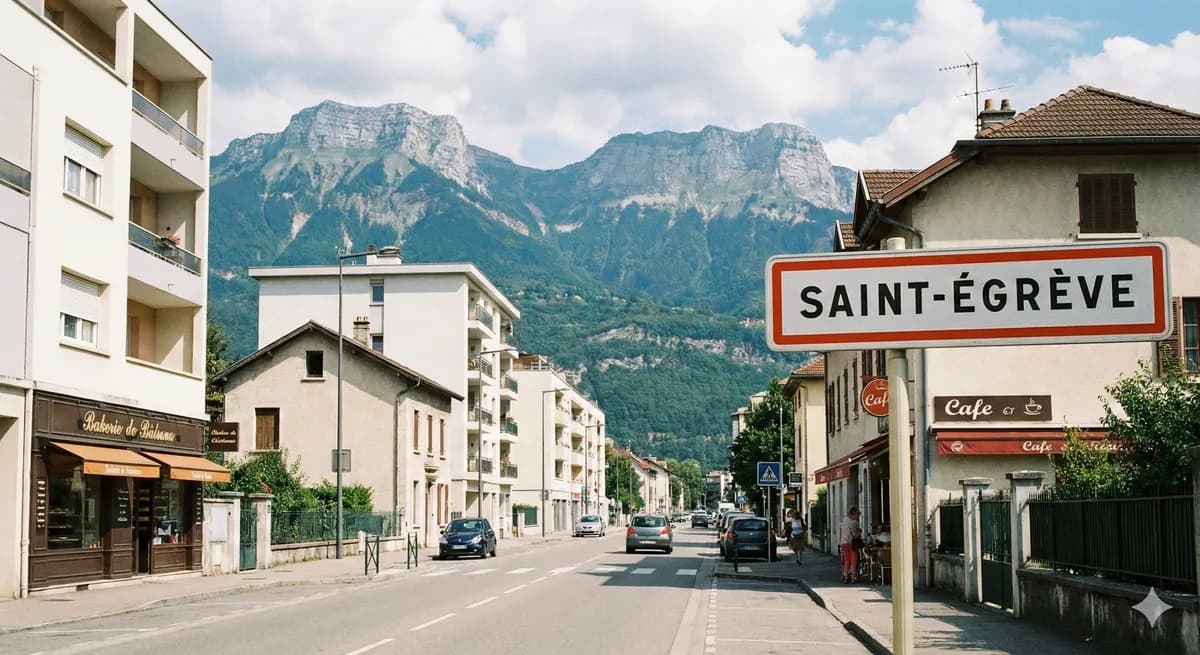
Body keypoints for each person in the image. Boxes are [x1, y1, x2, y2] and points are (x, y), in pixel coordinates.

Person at [837, 507, 863, 583]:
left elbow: (840, 532)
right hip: (852, 543)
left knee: (846, 561)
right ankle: (853, 577)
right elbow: (855, 535)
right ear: (853, 514)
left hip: (843, 543)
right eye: (857, 514)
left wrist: (839, 543)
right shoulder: (854, 522)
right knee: (854, 560)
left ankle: (845, 577)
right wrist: (859, 532)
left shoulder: (844, 521)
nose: (858, 516)